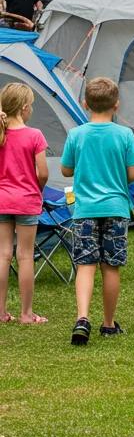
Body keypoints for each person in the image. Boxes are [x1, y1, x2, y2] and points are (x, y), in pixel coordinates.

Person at [61, 77, 134, 346]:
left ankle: (82, 318)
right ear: (116, 105)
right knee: (111, 267)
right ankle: (108, 323)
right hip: (116, 208)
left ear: (85, 104)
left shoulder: (76, 134)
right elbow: (133, 173)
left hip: (85, 210)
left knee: (85, 266)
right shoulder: (124, 135)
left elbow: (66, 170)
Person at [0, 84, 49, 324]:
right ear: (24, 107)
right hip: (27, 200)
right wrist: (35, 191)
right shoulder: (35, 136)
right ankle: (26, 314)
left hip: (1, 200)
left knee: (2, 255)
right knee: (25, 256)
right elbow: (43, 173)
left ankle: (0, 313)